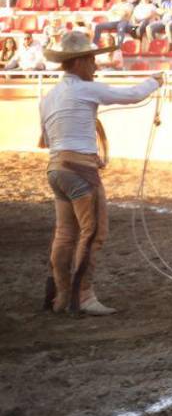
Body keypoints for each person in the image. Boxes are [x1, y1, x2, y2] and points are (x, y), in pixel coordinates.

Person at [39, 31, 163, 315]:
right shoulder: (85, 89)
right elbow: (130, 95)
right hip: (81, 169)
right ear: (80, 62)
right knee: (93, 232)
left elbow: (45, 137)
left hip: (57, 168)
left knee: (65, 233)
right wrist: (153, 81)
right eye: (92, 60)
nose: (95, 66)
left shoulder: (48, 97)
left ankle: (59, 295)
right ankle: (82, 296)